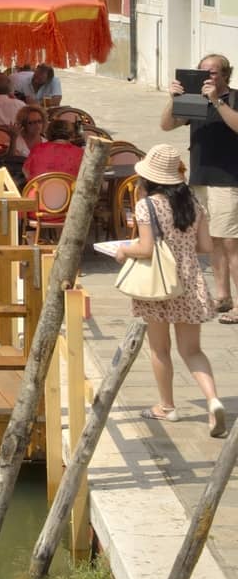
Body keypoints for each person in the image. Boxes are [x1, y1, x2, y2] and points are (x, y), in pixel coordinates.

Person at [113, 143, 226, 436]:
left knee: (160, 348)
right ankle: (213, 401)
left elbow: (146, 247)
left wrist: (124, 250)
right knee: (193, 350)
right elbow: (205, 247)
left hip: (159, 284)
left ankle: (167, 406)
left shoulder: (146, 206)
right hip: (189, 281)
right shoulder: (194, 205)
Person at [162, 53, 238, 322]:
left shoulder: (234, 98)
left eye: (213, 73)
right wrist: (174, 100)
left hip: (229, 180)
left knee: (232, 243)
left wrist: (216, 101)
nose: (207, 77)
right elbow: (166, 125)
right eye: (202, 72)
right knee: (214, 241)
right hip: (202, 178)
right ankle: (222, 296)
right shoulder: (194, 100)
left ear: (225, 75)